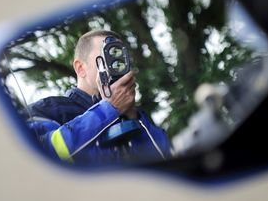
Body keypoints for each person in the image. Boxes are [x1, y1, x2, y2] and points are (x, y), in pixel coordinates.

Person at [26, 30, 171, 164]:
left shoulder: (136, 115)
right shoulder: (47, 110)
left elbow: (164, 160)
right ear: (80, 68)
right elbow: (40, 156)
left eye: (119, 56)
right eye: (106, 57)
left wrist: (131, 115)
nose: (114, 65)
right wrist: (108, 109)